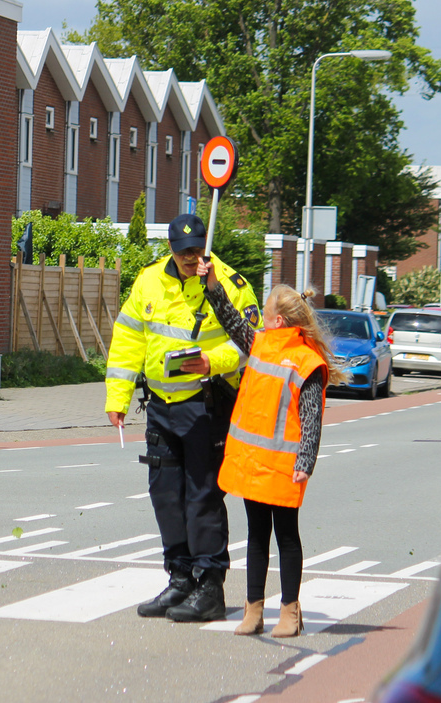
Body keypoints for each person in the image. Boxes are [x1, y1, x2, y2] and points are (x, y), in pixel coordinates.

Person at [105, 213, 261, 622]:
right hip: (159, 405)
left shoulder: (230, 282)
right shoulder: (149, 280)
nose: (192, 260)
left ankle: (209, 586)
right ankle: (180, 579)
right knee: (165, 495)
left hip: (205, 404)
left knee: (202, 496)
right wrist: (116, 397)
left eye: (197, 252)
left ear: (206, 246)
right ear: (171, 250)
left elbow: (252, 346)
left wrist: (212, 361)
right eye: (184, 254)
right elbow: (127, 340)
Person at [197, 262, 346, 637]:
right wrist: (212, 285)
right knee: (257, 535)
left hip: (283, 466)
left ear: (279, 321)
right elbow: (232, 322)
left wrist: (305, 462)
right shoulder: (261, 343)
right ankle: (254, 610)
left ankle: (290, 612)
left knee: (286, 537)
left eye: (265, 314)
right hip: (254, 461)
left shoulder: (306, 360)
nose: (260, 320)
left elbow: (312, 418)